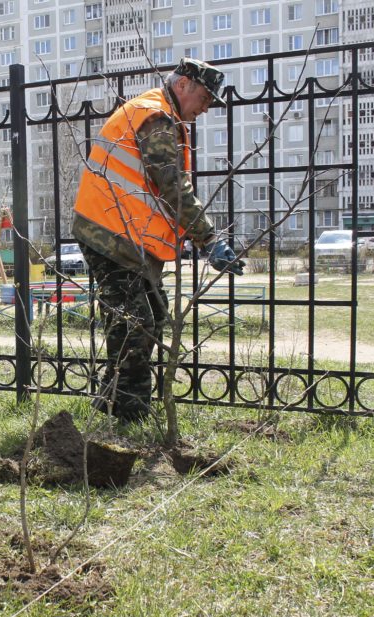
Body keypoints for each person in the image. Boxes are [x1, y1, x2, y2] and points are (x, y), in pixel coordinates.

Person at [71, 58, 245, 423]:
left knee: (152, 315)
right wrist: (208, 238)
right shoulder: (155, 116)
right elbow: (172, 187)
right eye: (205, 97)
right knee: (136, 323)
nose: (206, 107)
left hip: (124, 235)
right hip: (110, 233)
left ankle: (112, 400)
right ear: (183, 85)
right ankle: (129, 413)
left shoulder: (162, 114)